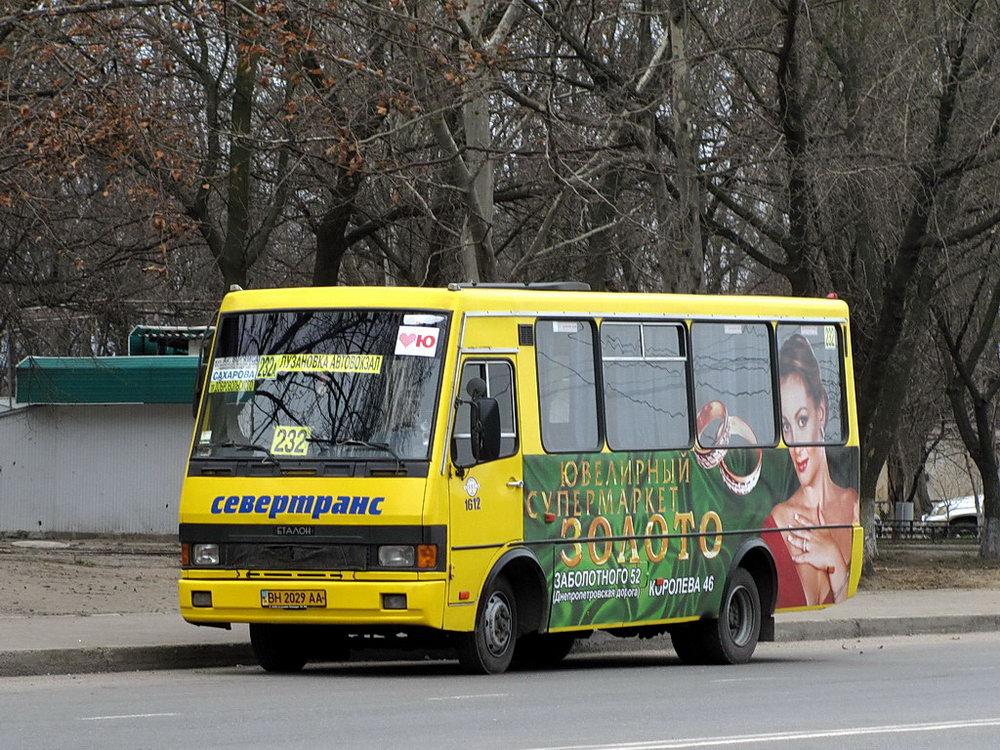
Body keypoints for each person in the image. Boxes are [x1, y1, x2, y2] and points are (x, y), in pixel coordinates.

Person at [763, 334, 859, 607]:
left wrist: (834, 559)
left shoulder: (851, 506)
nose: (795, 444)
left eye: (802, 419)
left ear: (822, 413)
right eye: (785, 426)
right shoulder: (778, 522)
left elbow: (843, 605)